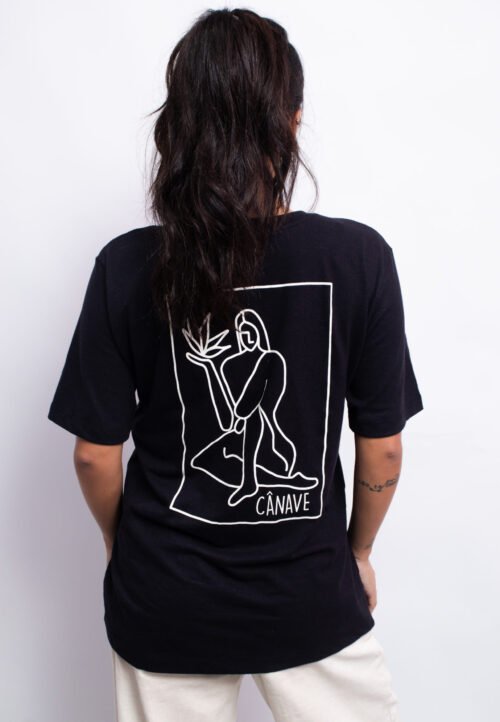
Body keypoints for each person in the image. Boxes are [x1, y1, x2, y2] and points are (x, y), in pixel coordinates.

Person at [47, 7, 424, 722]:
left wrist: (121, 545)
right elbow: (383, 446)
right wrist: (358, 553)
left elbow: (95, 454)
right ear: (292, 122)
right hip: (312, 594)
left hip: (163, 595)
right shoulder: (358, 258)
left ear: (179, 127)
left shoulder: (127, 266)